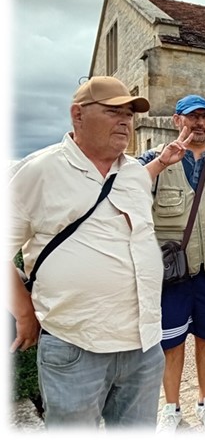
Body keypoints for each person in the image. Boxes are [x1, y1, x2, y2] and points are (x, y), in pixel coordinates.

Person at [8, 76, 166, 430]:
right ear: (77, 115)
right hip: (77, 345)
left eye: (128, 113)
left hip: (143, 346)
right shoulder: (39, 171)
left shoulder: (135, 175)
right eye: (113, 111)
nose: (125, 121)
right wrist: (24, 311)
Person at [137, 95, 205, 433]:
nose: (199, 123)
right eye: (192, 117)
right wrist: (160, 164)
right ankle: (170, 408)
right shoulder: (153, 160)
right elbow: (128, 192)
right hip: (171, 274)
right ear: (176, 121)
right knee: (170, 342)